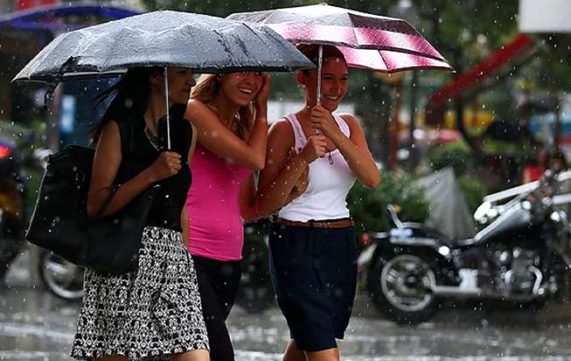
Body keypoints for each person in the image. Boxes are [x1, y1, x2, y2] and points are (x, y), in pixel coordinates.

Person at [71, 67, 209, 360]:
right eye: (183, 73)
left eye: (192, 73)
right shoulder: (119, 128)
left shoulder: (186, 133)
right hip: (123, 257)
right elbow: (96, 204)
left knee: (195, 354)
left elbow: (181, 205)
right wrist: (151, 174)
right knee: (117, 354)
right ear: (155, 77)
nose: (192, 81)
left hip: (172, 261)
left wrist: (185, 255)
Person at [255, 45, 381, 361]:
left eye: (343, 79)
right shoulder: (285, 129)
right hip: (295, 243)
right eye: (327, 79)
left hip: (339, 244)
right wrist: (302, 157)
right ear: (303, 78)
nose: (337, 88)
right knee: (323, 348)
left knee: (307, 338)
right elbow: (265, 202)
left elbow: (371, 177)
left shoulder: (350, 125)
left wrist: (335, 134)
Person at [183, 71, 270, 361]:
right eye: (242, 71)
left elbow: (248, 208)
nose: (251, 80)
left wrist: (297, 176)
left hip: (229, 261)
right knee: (219, 354)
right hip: (190, 254)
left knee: (195, 352)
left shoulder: (242, 128)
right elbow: (255, 159)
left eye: (258, 74)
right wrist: (263, 110)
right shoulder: (195, 111)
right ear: (220, 75)